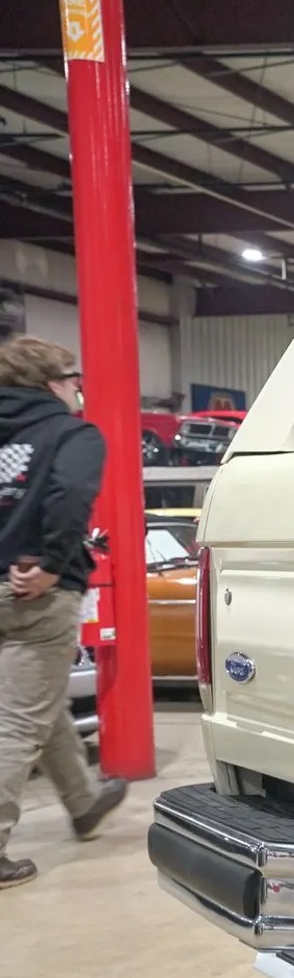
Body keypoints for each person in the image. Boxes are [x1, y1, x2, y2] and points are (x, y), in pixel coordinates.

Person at [0, 335, 127, 889]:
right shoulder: (71, 434)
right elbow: (71, 494)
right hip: (35, 592)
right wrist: (51, 562)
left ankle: (84, 803)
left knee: (37, 700)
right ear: (54, 383)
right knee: (17, 723)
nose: (79, 389)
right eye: (74, 379)